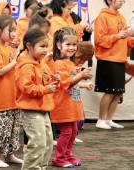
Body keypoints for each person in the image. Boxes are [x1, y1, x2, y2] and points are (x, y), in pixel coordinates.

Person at [51, 27, 94, 168]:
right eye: (67, 44)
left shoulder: (70, 63)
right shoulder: (59, 63)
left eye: (74, 45)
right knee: (66, 132)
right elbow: (66, 84)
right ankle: (59, 158)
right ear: (58, 45)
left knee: (73, 131)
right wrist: (81, 75)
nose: (71, 48)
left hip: (72, 105)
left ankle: (67, 156)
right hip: (63, 105)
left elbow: (73, 83)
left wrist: (84, 84)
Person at [15, 28, 58, 170]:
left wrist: (54, 80)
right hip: (31, 110)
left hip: (43, 109)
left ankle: (41, 167)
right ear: (29, 46)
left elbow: (45, 82)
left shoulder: (41, 63)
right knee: (37, 143)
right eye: (42, 46)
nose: (46, 50)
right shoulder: (26, 66)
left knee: (47, 143)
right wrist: (46, 89)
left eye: (47, 46)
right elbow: (27, 88)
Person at [0, 14, 23, 168]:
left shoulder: (7, 47)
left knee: (13, 128)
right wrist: (16, 59)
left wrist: (15, 53)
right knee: (2, 128)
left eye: (15, 30)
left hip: (12, 95)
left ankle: (9, 154)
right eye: (10, 30)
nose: (14, 33)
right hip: (1, 97)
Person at [94, 0, 133, 129]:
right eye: (120, 0)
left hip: (120, 59)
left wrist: (131, 41)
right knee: (110, 92)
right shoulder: (102, 17)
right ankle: (101, 119)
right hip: (108, 59)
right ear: (110, 1)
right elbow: (100, 40)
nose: (122, 2)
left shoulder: (121, 17)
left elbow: (125, 38)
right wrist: (117, 36)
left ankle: (109, 119)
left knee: (118, 92)